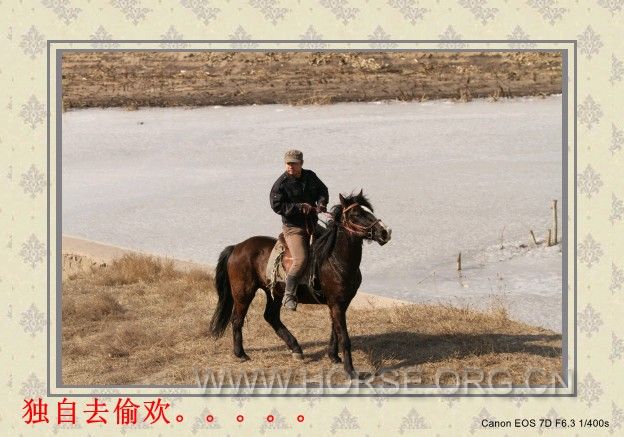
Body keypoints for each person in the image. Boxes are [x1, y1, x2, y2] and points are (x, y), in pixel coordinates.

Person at [270, 149, 329, 311]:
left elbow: (323, 191)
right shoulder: (281, 184)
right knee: (301, 259)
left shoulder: (310, 176)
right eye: (288, 163)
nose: (290, 166)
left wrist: (321, 203)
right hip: (293, 228)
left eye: (293, 163)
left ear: (301, 164)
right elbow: (277, 205)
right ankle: (289, 294)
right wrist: (298, 207)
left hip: (311, 224)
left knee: (333, 241)